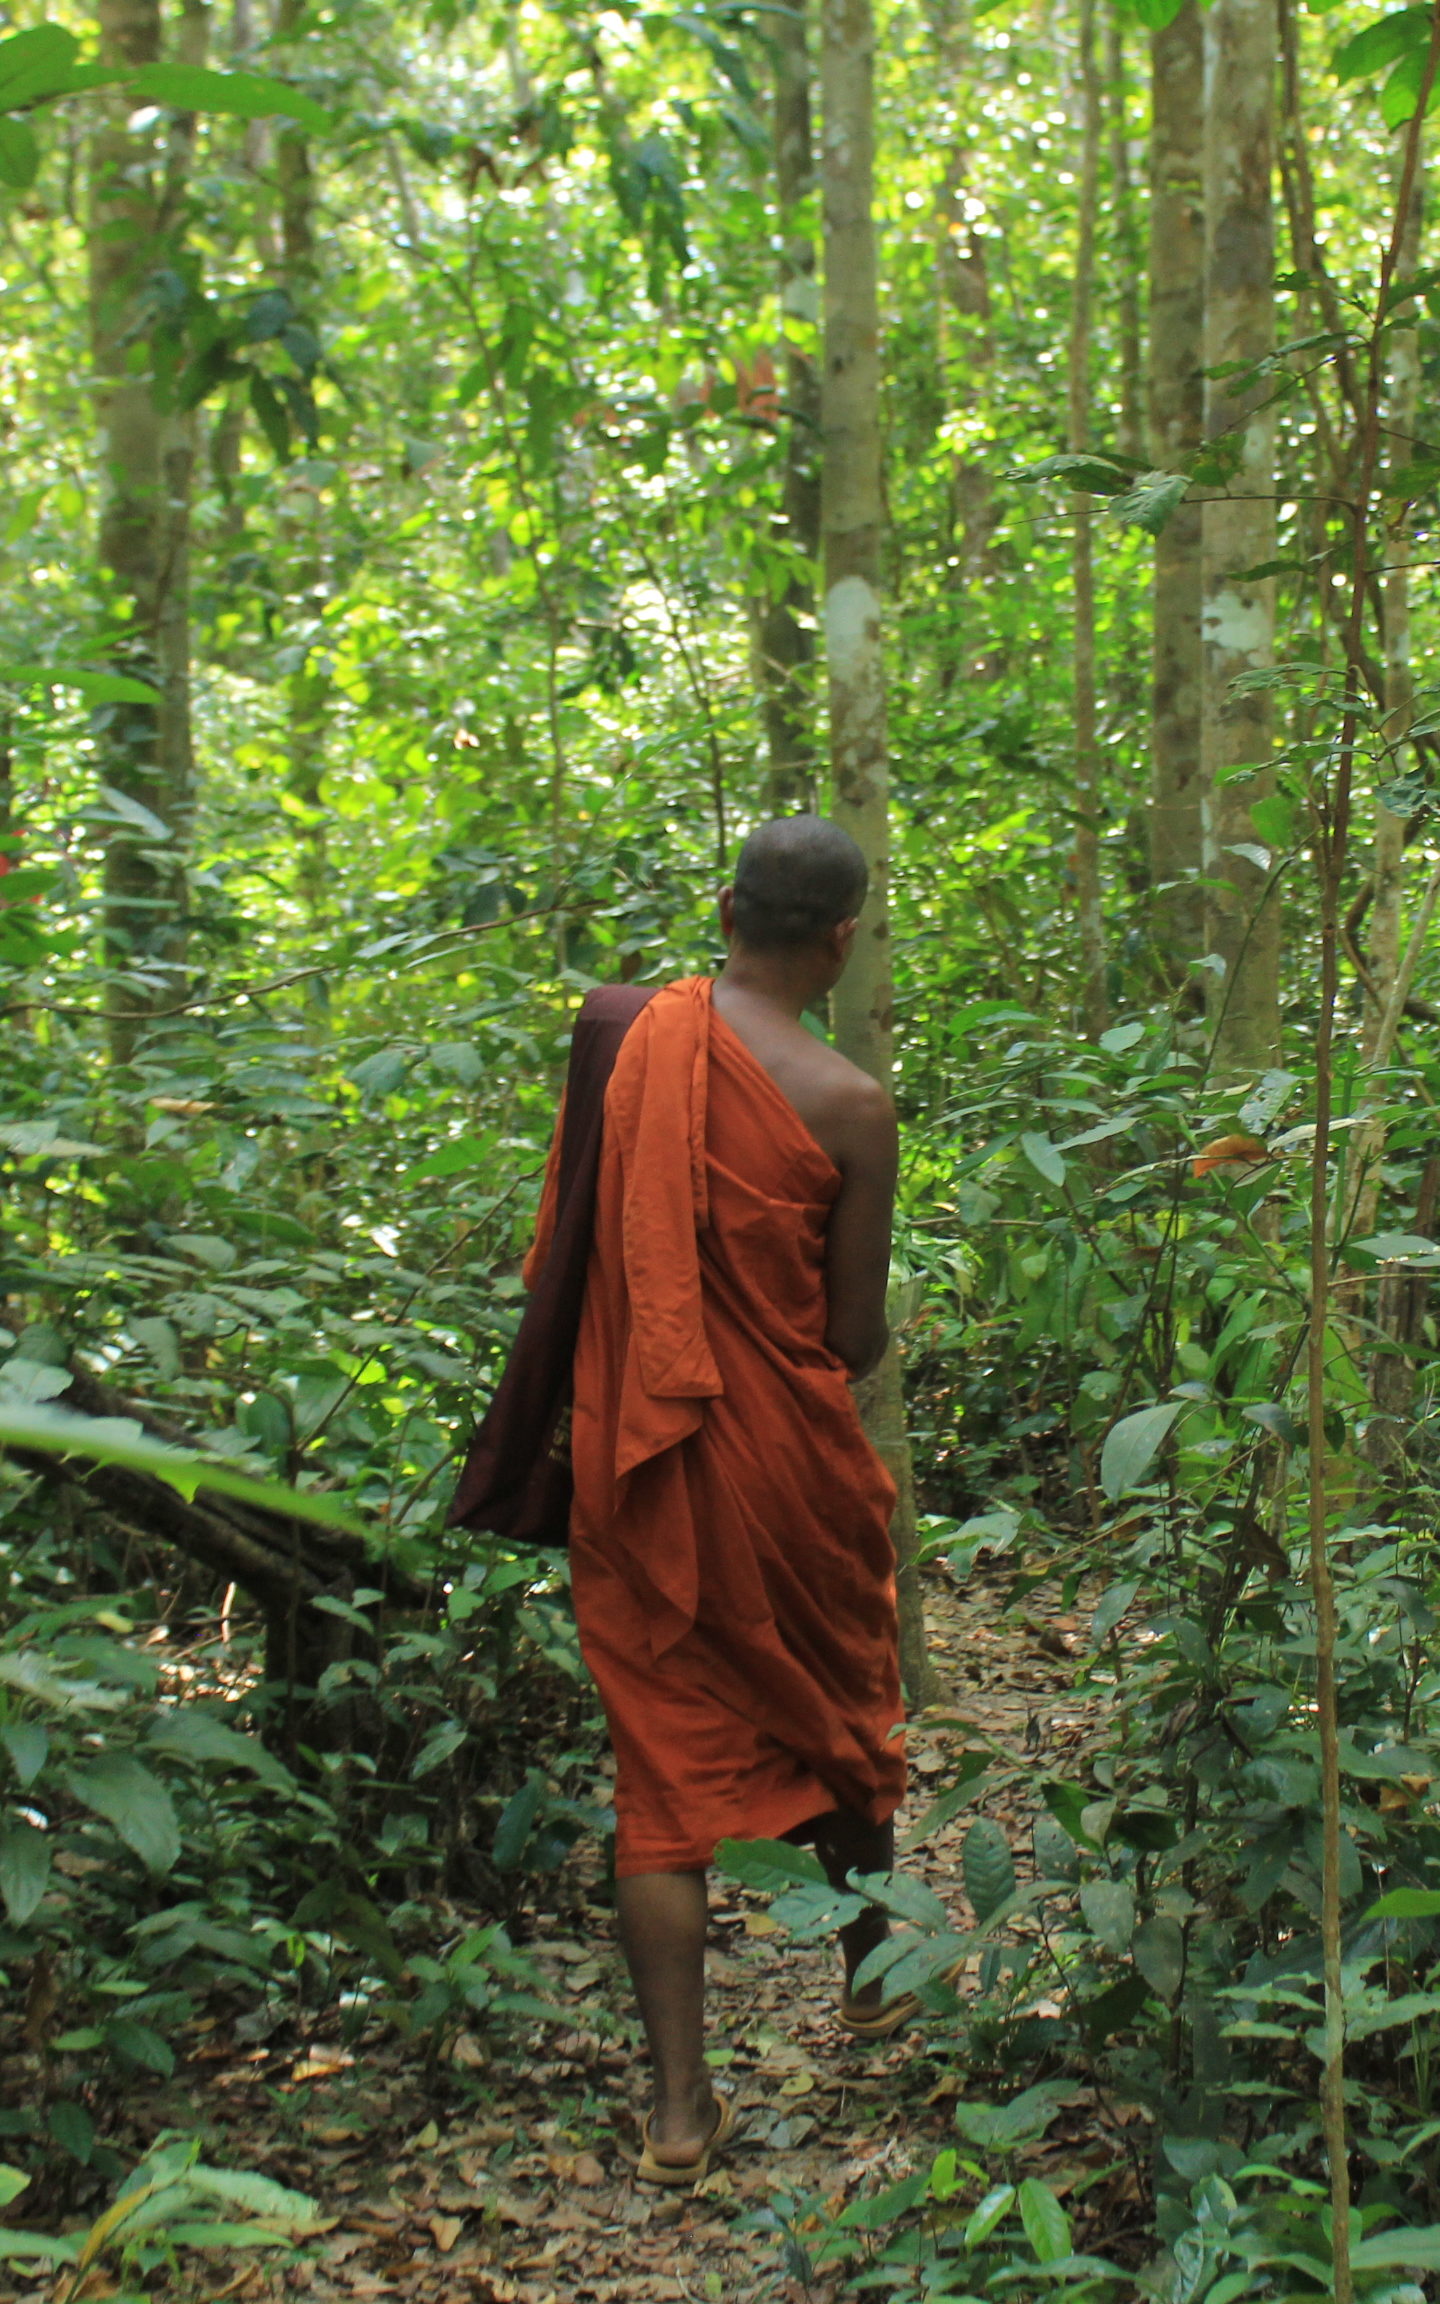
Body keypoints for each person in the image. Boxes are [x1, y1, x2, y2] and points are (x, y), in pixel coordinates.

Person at [526, 816, 909, 2185]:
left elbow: (575, 1253)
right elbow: (852, 1341)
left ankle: (680, 2110)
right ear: (841, 938)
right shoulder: (851, 1105)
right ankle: (875, 1975)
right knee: (846, 1703)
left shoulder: (630, 1041)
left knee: (661, 1784)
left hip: (640, 1469)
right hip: (789, 1474)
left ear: (725, 907)